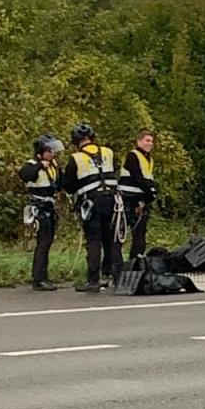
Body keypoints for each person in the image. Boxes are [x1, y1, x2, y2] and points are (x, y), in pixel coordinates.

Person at [62, 122, 124, 294]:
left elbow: (68, 185)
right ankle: (117, 277)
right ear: (92, 138)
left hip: (91, 203)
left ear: (75, 141)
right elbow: (115, 170)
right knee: (112, 239)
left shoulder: (76, 158)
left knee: (94, 240)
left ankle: (93, 280)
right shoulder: (108, 152)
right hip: (112, 200)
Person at [18, 135, 64, 291]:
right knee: (43, 243)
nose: (52, 154)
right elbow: (25, 175)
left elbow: (59, 185)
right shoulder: (31, 165)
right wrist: (39, 166)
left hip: (50, 207)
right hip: (39, 208)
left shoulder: (53, 166)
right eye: (49, 151)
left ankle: (43, 276)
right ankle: (39, 279)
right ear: (40, 152)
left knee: (48, 242)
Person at [119, 129, 156, 260]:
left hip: (141, 199)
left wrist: (150, 193)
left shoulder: (148, 158)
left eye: (152, 141)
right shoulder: (133, 155)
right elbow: (137, 177)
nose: (150, 143)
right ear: (139, 141)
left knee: (140, 234)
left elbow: (147, 179)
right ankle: (115, 265)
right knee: (120, 234)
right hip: (128, 199)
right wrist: (149, 193)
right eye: (147, 140)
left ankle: (135, 263)